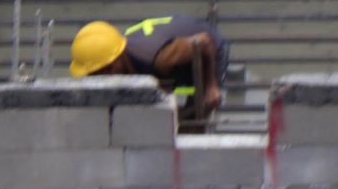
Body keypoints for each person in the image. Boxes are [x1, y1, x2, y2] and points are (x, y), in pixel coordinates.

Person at [70, 15, 228, 128]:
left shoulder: (160, 58)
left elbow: (206, 42)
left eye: (99, 75)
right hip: (168, 57)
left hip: (208, 51)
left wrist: (211, 86)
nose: (98, 81)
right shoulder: (125, 55)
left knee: (193, 119)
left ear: (113, 64)